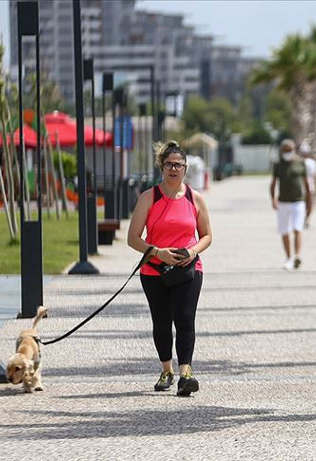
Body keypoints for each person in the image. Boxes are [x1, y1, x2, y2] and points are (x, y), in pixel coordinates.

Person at [128, 140, 212, 397]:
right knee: (162, 322)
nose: (173, 169)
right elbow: (133, 238)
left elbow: (207, 236)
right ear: (161, 167)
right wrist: (158, 252)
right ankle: (167, 369)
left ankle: (186, 373)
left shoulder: (194, 198)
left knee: (185, 319)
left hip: (188, 269)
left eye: (178, 165)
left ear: (185, 168)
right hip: (154, 271)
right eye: (169, 165)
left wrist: (192, 251)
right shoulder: (148, 197)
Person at [270, 139, 312, 270]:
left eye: (289, 150)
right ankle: (288, 257)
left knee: (297, 228)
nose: (287, 152)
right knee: (284, 231)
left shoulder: (300, 163)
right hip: (283, 202)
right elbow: (273, 183)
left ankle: (297, 256)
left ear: (294, 150)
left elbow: (306, 183)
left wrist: (309, 201)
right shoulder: (278, 164)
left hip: (298, 201)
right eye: (285, 150)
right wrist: (273, 199)